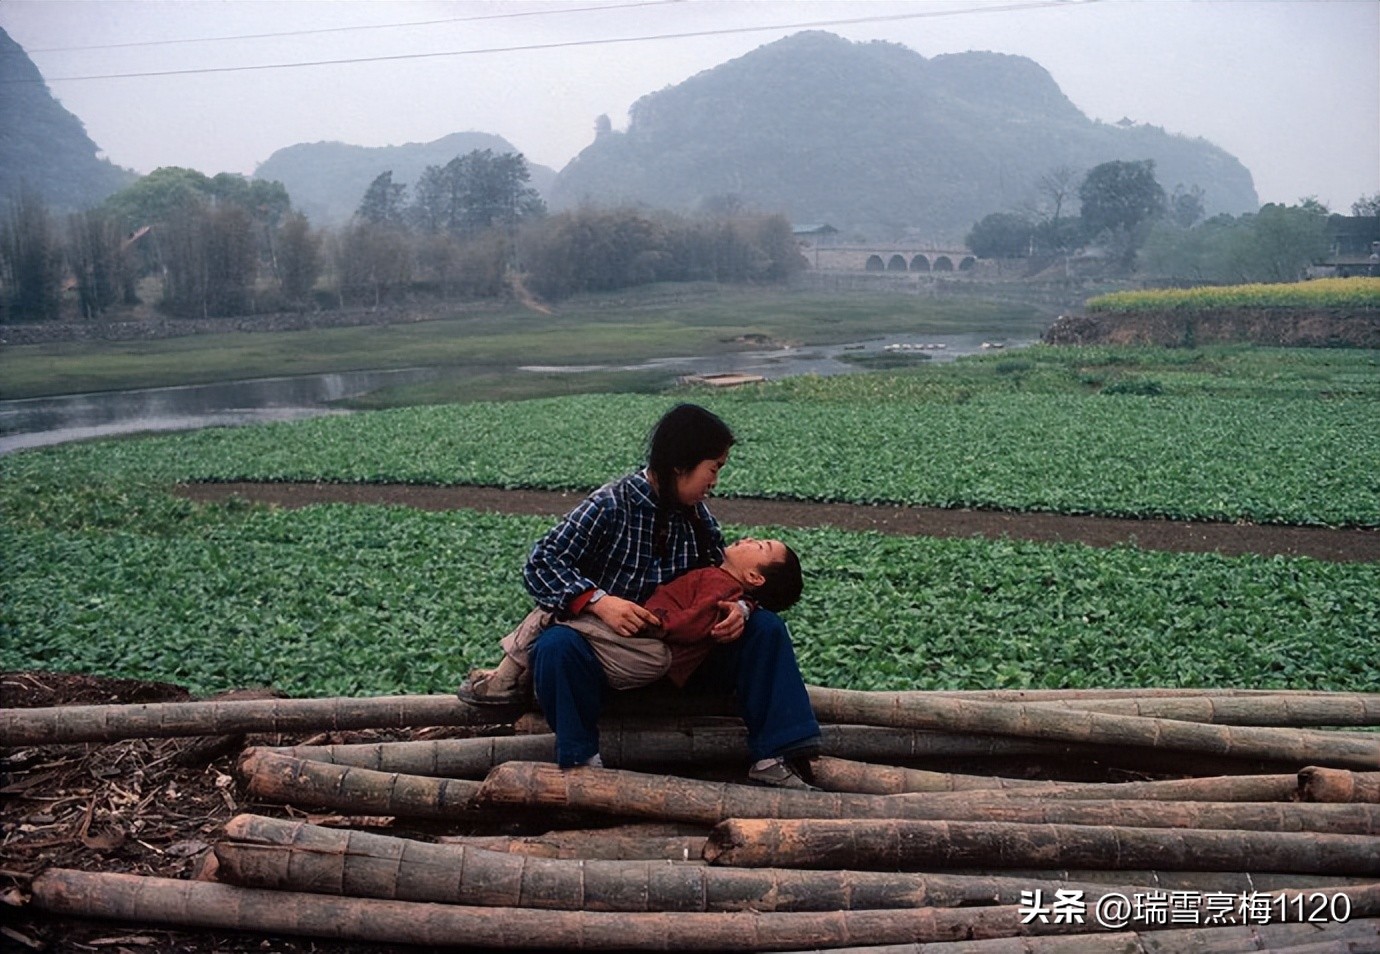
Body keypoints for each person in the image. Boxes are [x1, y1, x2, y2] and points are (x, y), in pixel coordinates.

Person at [460, 403, 821, 789]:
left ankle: (774, 757)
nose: (715, 481)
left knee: (765, 629)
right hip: (610, 663)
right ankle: (582, 764)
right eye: (714, 468)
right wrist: (600, 602)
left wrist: (743, 610)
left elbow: (735, 579)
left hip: (680, 663)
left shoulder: (699, 518)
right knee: (557, 646)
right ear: (681, 464)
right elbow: (541, 563)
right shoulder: (611, 504)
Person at [463, 536, 803, 699]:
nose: (750, 539)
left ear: (755, 578)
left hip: (652, 645)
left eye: (760, 546)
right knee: (565, 622)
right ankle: (512, 676)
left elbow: (693, 620)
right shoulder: (723, 578)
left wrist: (656, 623)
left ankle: (505, 679)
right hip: (651, 647)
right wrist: (748, 605)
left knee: (555, 611)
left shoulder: (721, 584)